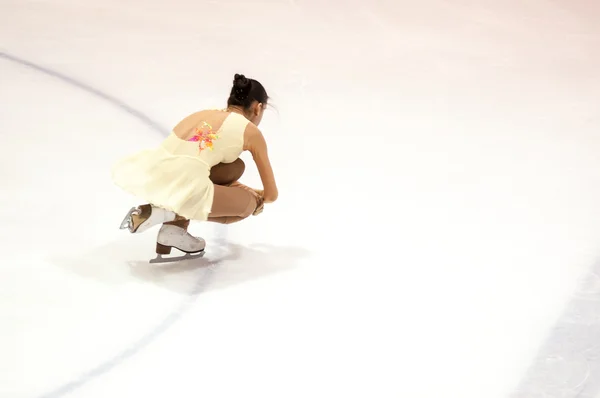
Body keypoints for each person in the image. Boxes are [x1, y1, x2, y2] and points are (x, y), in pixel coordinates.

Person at [112, 74, 278, 259]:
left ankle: (172, 232)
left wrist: (246, 189)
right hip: (184, 182)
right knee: (248, 205)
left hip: (156, 175)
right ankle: (167, 214)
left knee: (235, 167)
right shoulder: (251, 132)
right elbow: (271, 195)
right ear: (258, 108)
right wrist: (255, 198)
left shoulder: (204, 114)